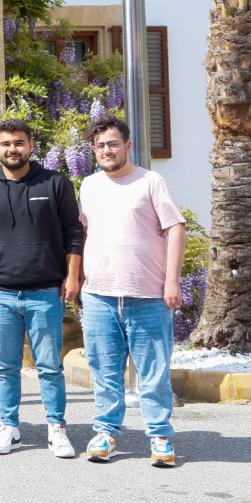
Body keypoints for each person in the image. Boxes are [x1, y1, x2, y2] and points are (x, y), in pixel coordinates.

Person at [0, 118, 84, 458]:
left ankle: (56, 428)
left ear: (30, 146)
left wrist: (73, 277)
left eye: (18, 143)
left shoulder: (55, 183)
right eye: (5, 143)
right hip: (0, 293)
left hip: (45, 292)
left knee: (50, 367)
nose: (12, 149)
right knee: (5, 366)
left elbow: (74, 233)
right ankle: (9, 427)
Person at [78, 115, 186, 468]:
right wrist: (76, 279)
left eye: (112, 144)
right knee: (104, 371)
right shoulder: (89, 186)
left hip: (147, 295)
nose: (106, 150)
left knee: (153, 372)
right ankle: (106, 433)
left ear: (127, 145)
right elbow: (82, 234)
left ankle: (160, 435)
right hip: (98, 295)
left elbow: (175, 228)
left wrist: (172, 281)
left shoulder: (151, 181)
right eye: (99, 146)